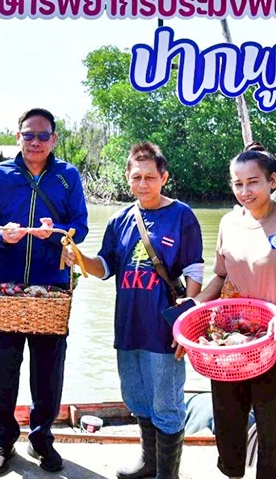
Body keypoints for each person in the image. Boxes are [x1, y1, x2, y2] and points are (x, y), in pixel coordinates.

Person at [64, 142, 203, 479]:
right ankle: (148, 463)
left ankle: (167, 474)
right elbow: (105, 266)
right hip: (128, 325)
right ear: (128, 177)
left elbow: (195, 270)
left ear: (163, 178)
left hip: (164, 327)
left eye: (150, 177)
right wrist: (79, 258)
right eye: (136, 177)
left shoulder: (182, 215)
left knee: (166, 402)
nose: (143, 183)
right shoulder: (119, 219)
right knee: (136, 396)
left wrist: (187, 320)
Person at [184, 141, 276, 479]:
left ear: (272, 181)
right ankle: (232, 473)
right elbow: (220, 277)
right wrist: (194, 306)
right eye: (238, 183)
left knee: (273, 429)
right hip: (230, 343)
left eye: (253, 182)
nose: (245, 191)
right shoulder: (229, 223)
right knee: (228, 423)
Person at [0, 108, 89, 475]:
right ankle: (2, 440)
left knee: (49, 371)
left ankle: (41, 438)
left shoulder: (67, 176)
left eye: (43, 136)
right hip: (6, 290)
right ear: (18, 137)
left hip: (51, 288)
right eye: (29, 135)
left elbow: (80, 227)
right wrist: (2, 236)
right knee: (2, 368)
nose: (36, 142)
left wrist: (55, 231)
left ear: (54, 139)